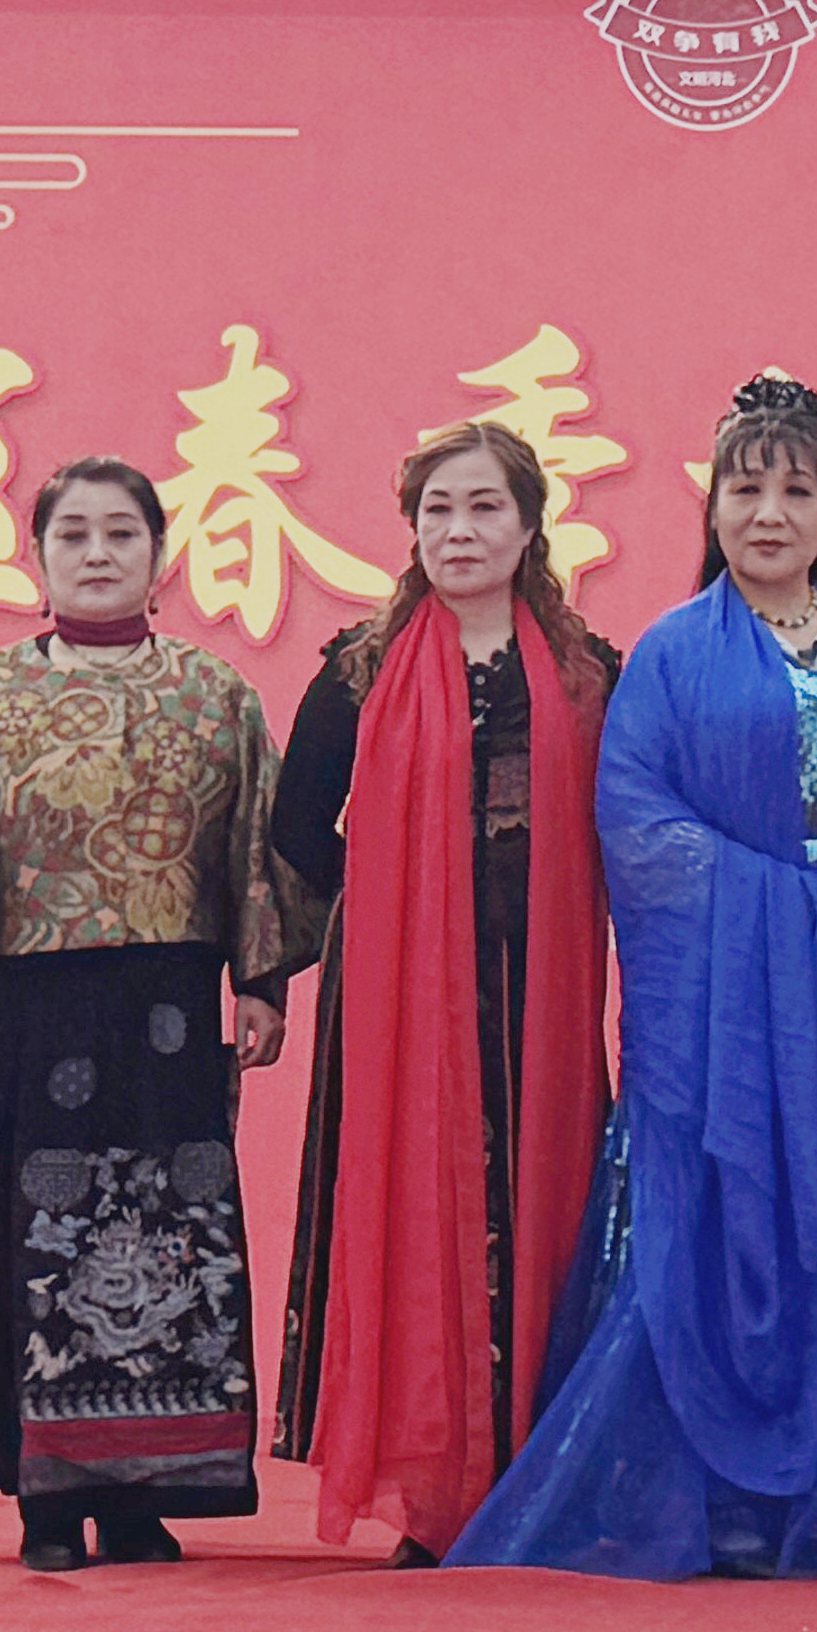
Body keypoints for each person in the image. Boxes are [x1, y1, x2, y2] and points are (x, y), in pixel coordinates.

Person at [450, 372, 817, 1579]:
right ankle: (718, 1487)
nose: (769, 514)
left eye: (796, 492)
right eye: (745, 489)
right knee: (721, 1216)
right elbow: (637, 823)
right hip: (734, 1005)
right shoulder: (674, 655)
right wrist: (791, 907)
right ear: (711, 507)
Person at [0, 459, 286, 1573]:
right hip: (33, 1009)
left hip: (170, 1011)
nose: (98, 553)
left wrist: (261, 981)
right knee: (37, 1230)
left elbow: (257, 847)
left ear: (160, 555)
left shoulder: (216, 694)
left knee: (175, 1234)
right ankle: (46, 1498)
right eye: (74, 534)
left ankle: (146, 1494)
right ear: (37, 557)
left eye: (122, 533)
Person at [267, 421, 621, 1566]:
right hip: (399, 1008)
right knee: (416, 1224)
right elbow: (295, 836)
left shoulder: (590, 675)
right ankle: (428, 1489)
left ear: (529, 526)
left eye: (483, 508)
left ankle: (537, 1479)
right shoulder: (356, 671)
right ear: (412, 529)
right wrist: (373, 911)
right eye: (438, 510)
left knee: (538, 1221)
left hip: (538, 1001)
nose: (459, 532)